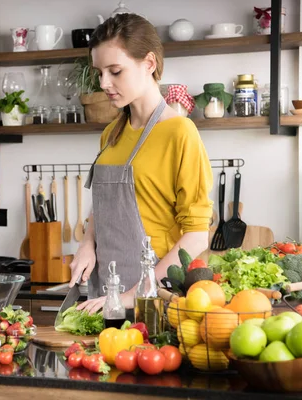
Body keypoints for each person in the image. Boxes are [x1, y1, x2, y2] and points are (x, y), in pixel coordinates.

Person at [69, 14, 213, 314]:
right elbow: (106, 206)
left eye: (115, 71)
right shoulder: (111, 134)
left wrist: (135, 294)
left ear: (149, 64)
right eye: (100, 72)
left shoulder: (180, 132)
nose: (104, 83)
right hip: (107, 292)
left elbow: (197, 235)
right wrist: (87, 243)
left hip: (158, 298)